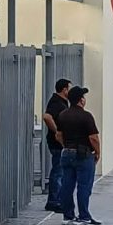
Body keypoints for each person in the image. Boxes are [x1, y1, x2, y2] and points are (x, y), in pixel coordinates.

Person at [55, 86, 102, 225]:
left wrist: (66, 146)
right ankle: (84, 216)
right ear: (81, 100)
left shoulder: (63, 115)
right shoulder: (86, 116)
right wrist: (97, 152)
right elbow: (93, 138)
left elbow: (58, 135)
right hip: (83, 154)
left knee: (67, 185)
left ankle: (68, 216)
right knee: (84, 186)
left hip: (67, 153)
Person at [43, 78, 71, 213]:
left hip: (60, 143)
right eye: (69, 88)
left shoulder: (62, 102)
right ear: (64, 89)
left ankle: (57, 199)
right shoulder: (56, 102)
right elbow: (47, 117)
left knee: (60, 171)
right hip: (57, 144)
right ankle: (54, 201)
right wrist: (57, 132)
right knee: (58, 172)